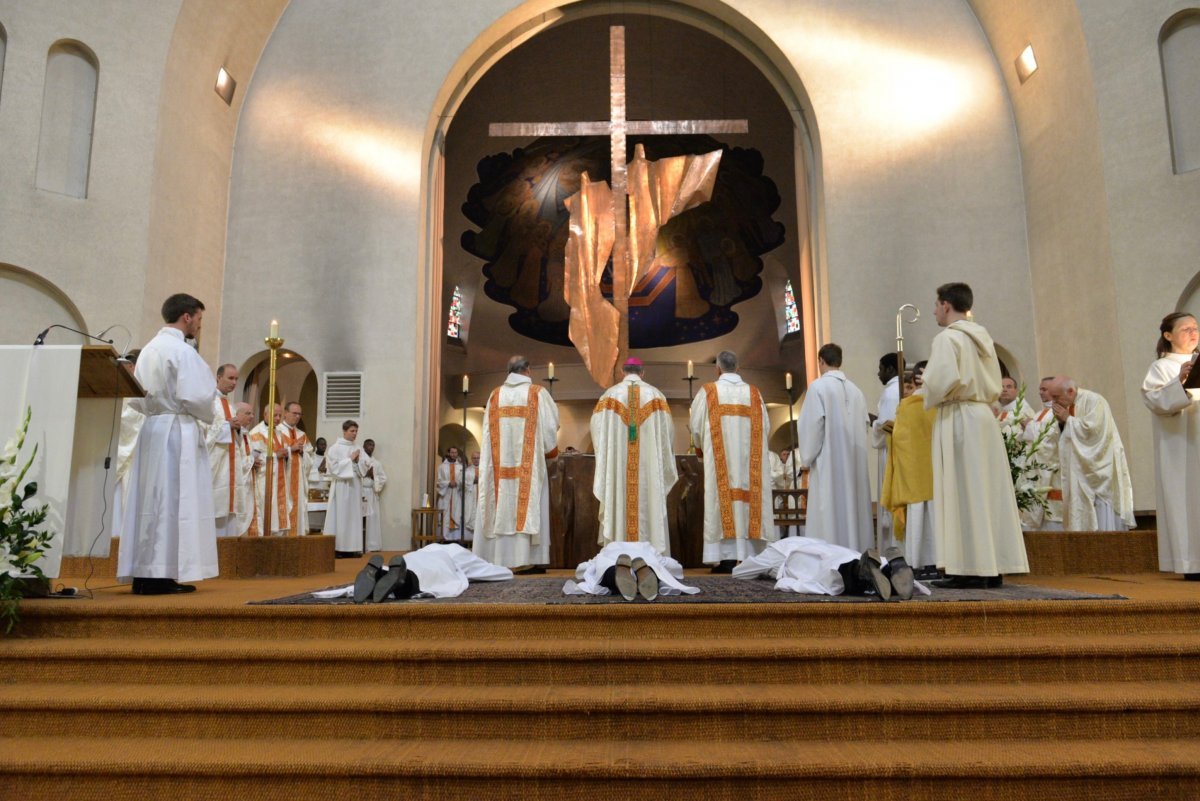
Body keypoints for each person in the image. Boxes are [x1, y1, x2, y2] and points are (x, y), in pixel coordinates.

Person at [922, 282, 1028, 589]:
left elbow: (941, 381)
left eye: (935, 304)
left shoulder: (948, 339)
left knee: (963, 490)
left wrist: (922, 390)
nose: (933, 311)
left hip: (959, 417)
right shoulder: (984, 338)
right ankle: (992, 565)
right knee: (985, 490)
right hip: (983, 416)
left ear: (945, 305)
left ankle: (968, 566)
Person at [117, 294, 218, 595]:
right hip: (177, 430)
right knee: (175, 501)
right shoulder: (182, 351)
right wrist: (208, 411)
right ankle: (160, 575)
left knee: (151, 502)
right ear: (187, 317)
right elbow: (198, 398)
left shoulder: (148, 350)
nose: (199, 326)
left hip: (152, 429)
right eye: (199, 319)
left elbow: (135, 397)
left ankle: (145, 572)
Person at [689, 350, 777, 572]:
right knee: (747, 506)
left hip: (721, 465)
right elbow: (765, 427)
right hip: (749, 466)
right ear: (738, 368)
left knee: (723, 504)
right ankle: (749, 557)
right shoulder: (754, 394)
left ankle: (726, 560)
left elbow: (696, 426)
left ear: (717, 368)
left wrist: (700, 450)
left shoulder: (708, 392)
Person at [473, 355, 560, 571]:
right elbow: (550, 429)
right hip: (528, 471)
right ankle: (529, 559)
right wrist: (552, 455)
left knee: (500, 505)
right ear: (528, 370)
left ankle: (498, 558)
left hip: (498, 471)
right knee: (530, 506)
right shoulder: (537, 394)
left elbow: (486, 434)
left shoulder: (495, 395)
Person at [590, 357, 678, 555]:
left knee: (619, 500)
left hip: (618, 468)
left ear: (623, 372)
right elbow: (668, 434)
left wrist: (607, 454)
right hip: (649, 469)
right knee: (650, 500)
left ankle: (618, 556)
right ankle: (651, 556)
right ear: (642, 373)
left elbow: (596, 430)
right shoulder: (656, 397)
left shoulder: (609, 397)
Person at [794, 343, 873, 552]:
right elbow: (865, 426)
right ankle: (856, 556)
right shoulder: (857, 391)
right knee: (852, 511)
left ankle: (829, 560)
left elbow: (811, 425)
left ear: (821, 361)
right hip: (854, 464)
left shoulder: (818, 387)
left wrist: (807, 458)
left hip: (829, 464)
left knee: (829, 511)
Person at [1142, 312, 1200, 579]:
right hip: (1182, 448)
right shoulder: (1161, 368)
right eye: (1186, 328)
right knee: (1189, 499)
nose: (1193, 333)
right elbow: (1155, 401)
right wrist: (1180, 382)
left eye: (1195, 328)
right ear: (1168, 335)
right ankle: (1192, 564)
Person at [1047, 376, 1135, 531]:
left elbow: (1094, 431)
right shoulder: (1069, 404)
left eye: (1056, 397)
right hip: (1078, 471)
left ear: (1070, 391)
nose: (1053, 402)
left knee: (1101, 514)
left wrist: (1068, 419)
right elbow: (1064, 437)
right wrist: (1062, 423)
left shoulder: (1094, 401)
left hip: (1098, 470)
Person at [880, 371, 939, 574]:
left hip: (913, 472)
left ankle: (917, 563)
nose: (906, 391)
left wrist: (888, 432)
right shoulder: (939, 405)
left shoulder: (907, 406)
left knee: (917, 518)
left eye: (909, 386)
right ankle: (939, 562)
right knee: (935, 518)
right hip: (934, 473)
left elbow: (899, 437)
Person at [732, 538, 914, 600]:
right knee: (844, 559)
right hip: (833, 549)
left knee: (825, 575)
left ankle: (861, 571)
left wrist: (759, 565)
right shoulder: (808, 539)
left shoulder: (775, 550)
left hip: (798, 558)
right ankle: (889, 570)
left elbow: (740, 573)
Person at [327, 543, 513, 604]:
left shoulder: (430, 546)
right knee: (430, 578)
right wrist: (505, 570)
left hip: (416, 555)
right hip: (442, 561)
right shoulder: (460, 552)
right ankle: (403, 581)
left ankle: (381, 574)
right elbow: (500, 573)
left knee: (413, 564)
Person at [564, 541, 699, 600]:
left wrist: (582, 570)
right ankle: (646, 572)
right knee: (656, 568)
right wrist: (676, 569)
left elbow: (584, 567)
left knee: (605, 571)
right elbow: (671, 565)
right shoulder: (647, 546)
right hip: (645, 556)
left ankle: (616, 574)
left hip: (612, 557)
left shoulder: (609, 547)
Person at [1019, 377, 1064, 530]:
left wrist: (1029, 426)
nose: (1040, 392)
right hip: (1035, 473)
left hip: (1052, 476)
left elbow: (1051, 439)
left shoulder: (1058, 412)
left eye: (1044, 389)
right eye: (1040, 389)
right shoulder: (1039, 413)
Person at [110, 349, 143, 543]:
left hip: (135, 453)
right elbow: (125, 418)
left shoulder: (140, 390)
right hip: (122, 452)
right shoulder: (122, 389)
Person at [870, 352, 901, 550]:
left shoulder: (891, 393)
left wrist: (874, 422)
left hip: (890, 453)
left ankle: (890, 550)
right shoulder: (898, 390)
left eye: (881, 369)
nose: (878, 373)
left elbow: (889, 426)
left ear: (890, 369)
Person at [206, 363, 241, 537]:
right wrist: (227, 426)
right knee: (214, 512)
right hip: (216, 468)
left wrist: (236, 428)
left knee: (229, 513)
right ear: (219, 377)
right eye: (230, 378)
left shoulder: (230, 405)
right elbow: (203, 432)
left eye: (236, 379)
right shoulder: (209, 401)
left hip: (231, 466)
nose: (234, 382)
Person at [323, 420, 365, 557]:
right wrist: (350, 460)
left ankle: (353, 548)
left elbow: (365, 467)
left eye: (356, 431)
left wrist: (359, 462)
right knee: (341, 517)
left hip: (355, 486)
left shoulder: (358, 447)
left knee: (354, 517)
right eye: (352, 431)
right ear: (344, 431)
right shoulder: (335, 448)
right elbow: (333, 468)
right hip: (341, 486)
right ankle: (339, 548)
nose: (355, 434)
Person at [249, 404, 290, 535]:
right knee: (268, 513)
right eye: (275, 415)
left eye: (280, 415)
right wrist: (275, 455)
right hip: (265, 479)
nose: (278, 419)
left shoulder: (279, 432)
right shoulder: (257, 433)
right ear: (265, 415)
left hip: (280, 478)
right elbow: (254, 457)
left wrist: (286, 453)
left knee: (278, 517)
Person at [276, 401, 313, 534]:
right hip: (284, 478)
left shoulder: (302, 435)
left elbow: (310, 458)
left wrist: (303, 452)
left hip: (298, 481)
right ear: (285, 413)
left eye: (299, 414)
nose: (297, 417)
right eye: (294, 413)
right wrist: (290, 449)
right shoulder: (277, 431)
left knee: (298, 510)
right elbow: (274, 454)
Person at [230, 402, 261, 536]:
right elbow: (233, 461)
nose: (252, 416)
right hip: (238, 485)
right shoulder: (232, 434)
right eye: (247, 413)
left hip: (249, 484)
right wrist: (251, 460)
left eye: (252, 413)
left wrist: (255, 461)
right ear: (236, 415)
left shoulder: (246, 434)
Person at [770, 448, 805, 538]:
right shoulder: (794, 453)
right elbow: (788, 472)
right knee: (796, 516)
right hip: (798, 485)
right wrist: (800, 469)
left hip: (811, 486)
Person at [360, 438, 387, 553]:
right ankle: (360, 546)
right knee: (361, 519)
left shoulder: (377, 463)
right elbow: (354, 475)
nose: (371, 447)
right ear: (364, 446)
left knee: (372, 519)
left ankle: (372, 545)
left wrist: (373, 477)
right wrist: (366, 474)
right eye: (369, 445)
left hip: (371, 493)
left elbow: (383, 478)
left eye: (373, 445)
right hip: (361, 493)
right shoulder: (360, 461)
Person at [435, 446, 467, 542]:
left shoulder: (461, 467)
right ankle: (445, 538)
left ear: (457, 454)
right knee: (445, 515)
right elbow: (439, 482)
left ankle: (456, 538)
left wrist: (458, 483)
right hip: (446, 494)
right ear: (448, 453)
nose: (454, 454)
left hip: (457, 494)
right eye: (452, 452)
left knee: (457, 513)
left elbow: (464, 481)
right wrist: (448, 483)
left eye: (455, 452)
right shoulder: (441, 467)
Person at [462, 451, 480, 543]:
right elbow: (463, 483)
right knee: (471, 515)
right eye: (474, 458)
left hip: (481, 498)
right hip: (471, 497)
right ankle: (470, 540)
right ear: (471, 459)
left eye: (478, 458)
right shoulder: (467, 471)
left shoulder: (484, 469)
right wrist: (473, 480)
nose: (476, 460)